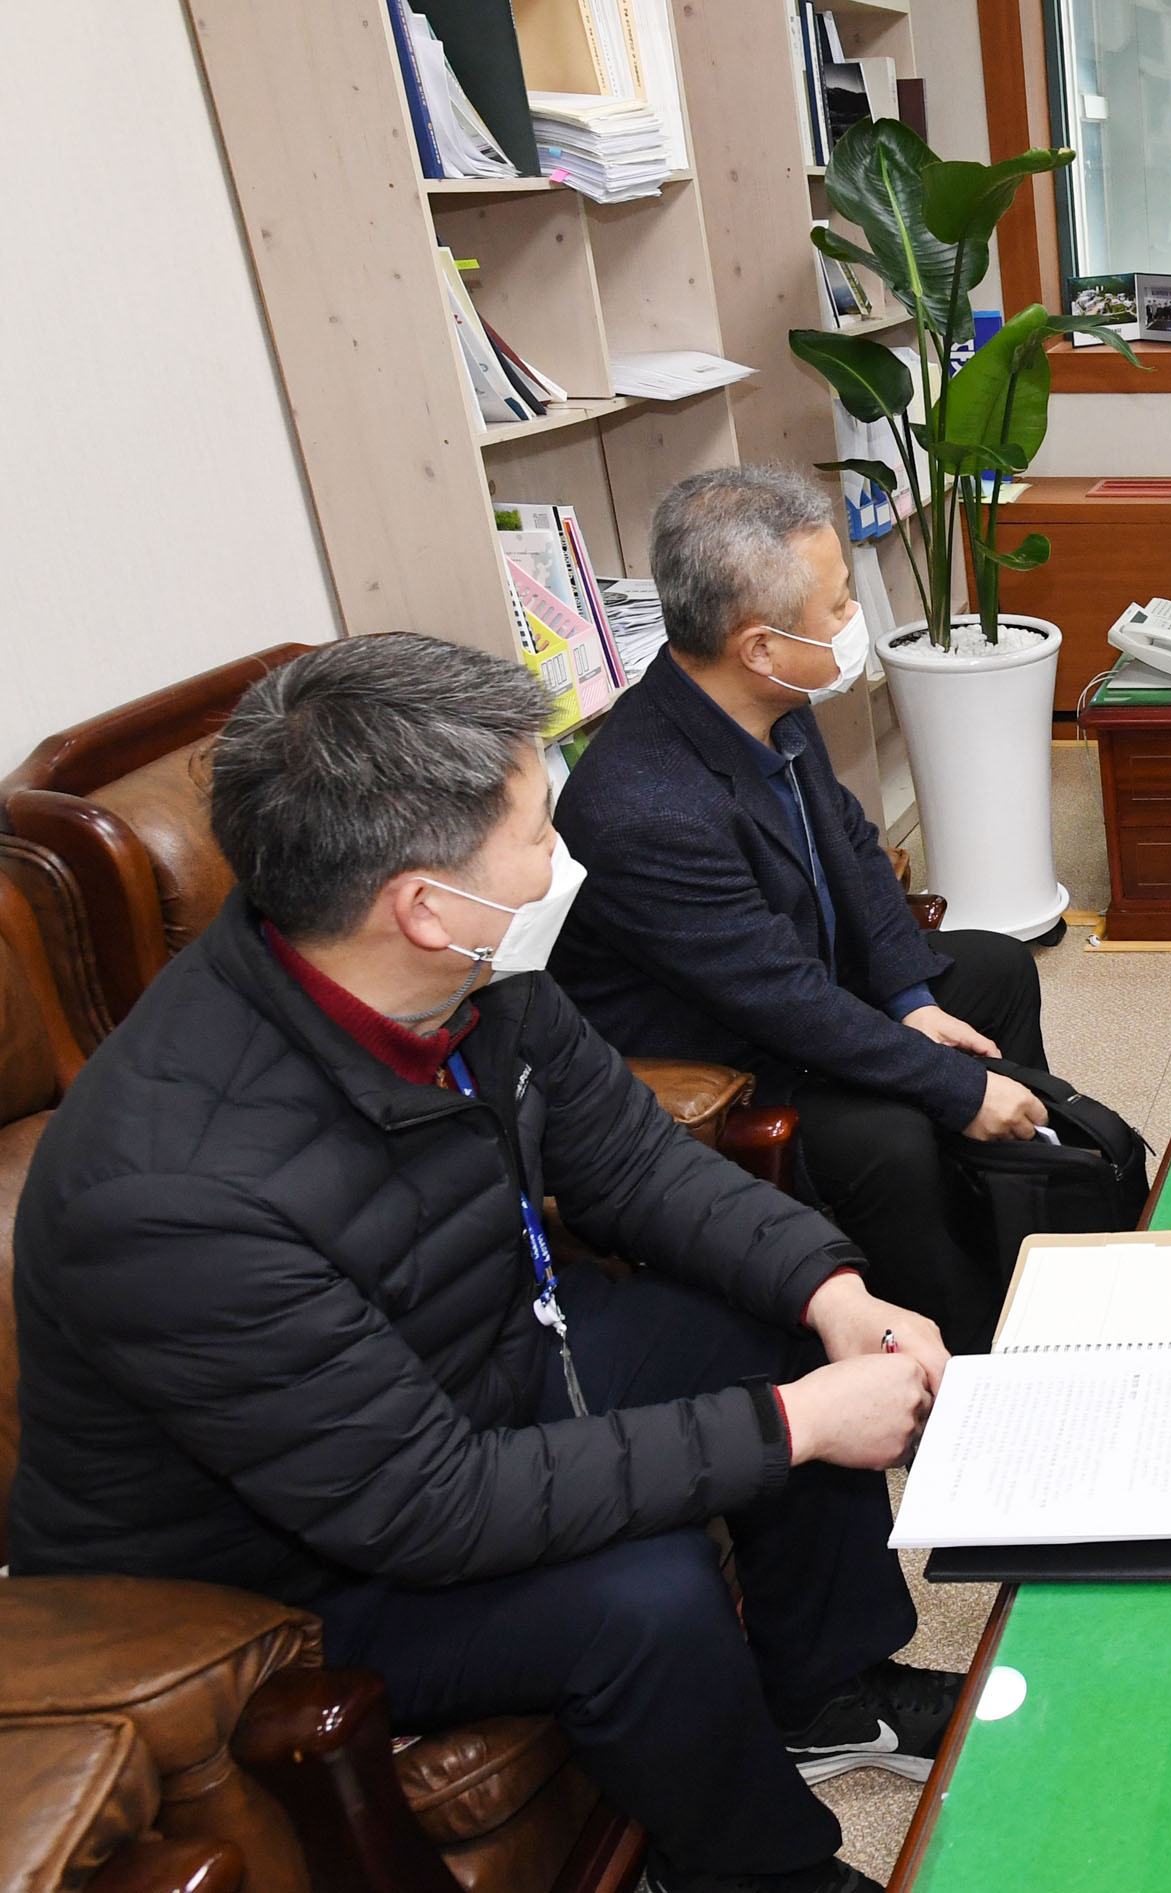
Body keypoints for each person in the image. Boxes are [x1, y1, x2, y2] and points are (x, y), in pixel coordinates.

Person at [9, 635, 958, 1893]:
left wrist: (834, 1292)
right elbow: (432, 1503)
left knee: (778, 1316)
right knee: (646, 1590)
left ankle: (827, 1688)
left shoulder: (468, 972)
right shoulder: (175, 1193)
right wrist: (791, 1428)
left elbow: (636, 1163)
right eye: (537, 830)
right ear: (423, 900)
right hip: (286, 1564)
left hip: (472, 1369)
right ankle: (769, 1876)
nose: (568, 860)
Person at [551, 467, 1057, 1351]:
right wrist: (953, 1084)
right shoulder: (640, 804)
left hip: (801, 988)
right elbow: (779, 1001)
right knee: (895, 1136)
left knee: (995, 971)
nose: (851, 621)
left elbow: (857, 852)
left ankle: (1021, 1221)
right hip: (728, 1056)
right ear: (759, 645)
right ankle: (973, 1357)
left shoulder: (765, 701)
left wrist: (912, 1001)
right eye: (836, 607)